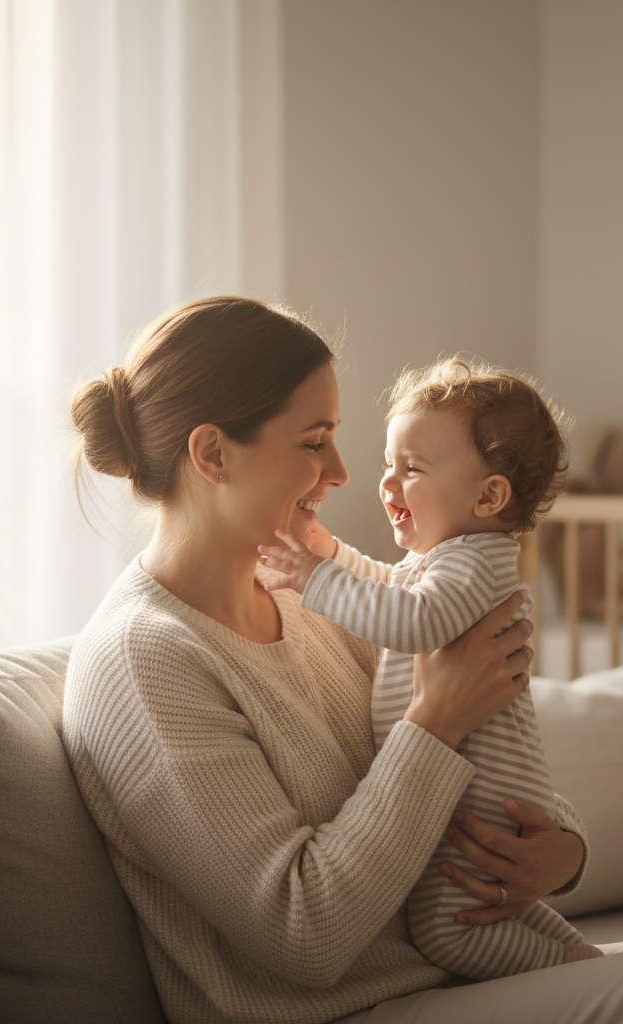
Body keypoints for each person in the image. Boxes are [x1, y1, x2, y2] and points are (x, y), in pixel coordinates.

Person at [64, 295, 623, 1024]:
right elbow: (307, 934)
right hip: (350, 1011)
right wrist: (435, 720)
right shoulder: (144, 662)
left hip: (453, 980)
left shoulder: (318, 602)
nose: (342, 475)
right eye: (314, 443)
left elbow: (482, 760)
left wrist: (561, 853)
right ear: (213, 455)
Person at [258, 357, 603, 980]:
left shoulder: (473, 563)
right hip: (477, 796)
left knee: (450, 932)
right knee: (500, 910)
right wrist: (333, 555)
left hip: (478, 805)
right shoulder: (449, 563)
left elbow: (410, 620)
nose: (386, 483)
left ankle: (569, 969)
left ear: (489, 495)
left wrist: (316, 577)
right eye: (389, 465)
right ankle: (573, 953)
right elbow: (392, 591)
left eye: (411, 469)